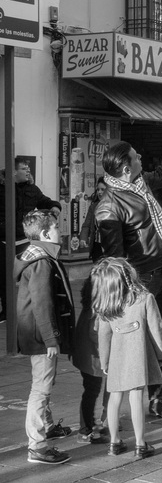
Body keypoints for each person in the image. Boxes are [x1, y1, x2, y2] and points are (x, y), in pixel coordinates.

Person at [95, 117, 162, 420]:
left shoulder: (139, 184)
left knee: (159, 340)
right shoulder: (110, 205)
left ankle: (157, 400)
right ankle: (109, 416)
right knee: (127, 346)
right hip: (140, 281)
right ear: (125, 168)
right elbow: (114, 258)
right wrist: (125, 292)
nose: (140, 159)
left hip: (160, 273)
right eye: (136, 157)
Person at [13, 209, 74, 465]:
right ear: (46, 233)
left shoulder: (37, 256)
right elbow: (42, 304)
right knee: (41, 388)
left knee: (44, 382)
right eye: (57, 227)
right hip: (40, 336)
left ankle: (47, 427)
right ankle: (37, 446)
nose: (60, 230)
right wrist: (51, 339)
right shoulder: (41, 262)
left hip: (36, 333)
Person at [91, 257, 162, 459]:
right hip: (138, 357)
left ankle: (114, 442)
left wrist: (104, 361)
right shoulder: (144, 299)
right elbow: (157, 330)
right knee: (136, 398)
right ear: (129, 274)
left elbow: (103, 337)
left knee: (114, 398)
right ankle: (141, 444)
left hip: (116, 358)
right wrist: (161, 355)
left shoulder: (106, 305)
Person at [0, 158, 61, 322]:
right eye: (23, 168)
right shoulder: (2, 189)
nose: (28, 171)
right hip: (4, 241)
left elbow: (46, 201)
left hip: (23, 241)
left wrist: (55, 207)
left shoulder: (32, 189)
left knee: (29, 278)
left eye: (28, 168)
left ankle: (28, 310)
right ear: (13, 171)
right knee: (4, 279)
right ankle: (6, 311)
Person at [72, 274, 110, 445]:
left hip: (85, 356)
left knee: (90, 391)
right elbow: (96, 335)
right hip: (93, 358)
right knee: (92, 392)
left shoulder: (89, 305)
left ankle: (89, 426)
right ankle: (85, 430)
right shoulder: (98, 309)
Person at [79, 176, 106, 262]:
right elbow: (86, 225)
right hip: (96, 246)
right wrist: (83, 238)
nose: (100, 192)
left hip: (109, 247)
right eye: (98, 190)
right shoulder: (94, 206)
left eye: (102, 189)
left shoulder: (115, 206)